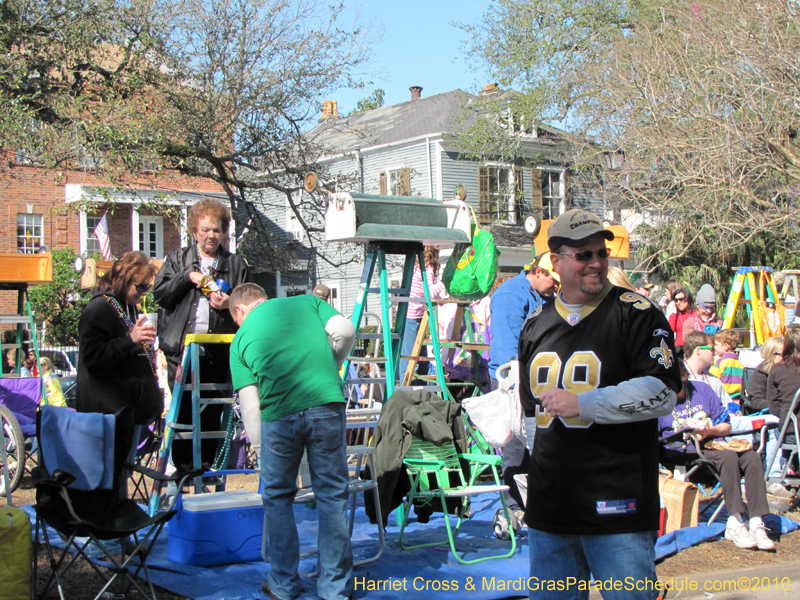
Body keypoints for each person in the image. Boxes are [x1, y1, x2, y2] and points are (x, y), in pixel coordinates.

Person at [518, 209, 681, 599]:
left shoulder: (638, 314)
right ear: (555, 261)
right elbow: (529, 416)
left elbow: (664, 392)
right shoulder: (534, 324)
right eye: (583, 255)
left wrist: (586, 403)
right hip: (550, 510)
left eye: (601, 254)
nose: (596, 263)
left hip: (617, 509)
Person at [228, 283, 355, 600]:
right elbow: (344, 329)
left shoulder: (239, 340)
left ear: (241, 311)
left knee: (278, 496)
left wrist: (261, 453)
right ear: (264, 299)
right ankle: (334, 588)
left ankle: (283, 583)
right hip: (325, 401)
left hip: (278, 413)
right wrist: (333, 362)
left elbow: (250, 407)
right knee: (332, 494)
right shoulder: (307, 303)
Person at [153, 198, 252, 468]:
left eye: (217, 230)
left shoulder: (236, 264)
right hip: (182, 352)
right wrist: (188, 278)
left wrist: (230, 303)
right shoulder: (177, 259)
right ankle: (183, 470)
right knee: (184, 411)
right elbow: (159, 294)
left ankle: (205, 470)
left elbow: (252, 306)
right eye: (206, 229)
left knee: (212, 414)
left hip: (219, 352)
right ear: (195, 231)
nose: (211, 235)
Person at [659, 362, 775, 551]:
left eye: (683, 385)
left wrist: (710, 430)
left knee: (752, 457)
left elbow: (727, 426)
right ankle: (735, 521)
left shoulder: (701, 390)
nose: (679, 390)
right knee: (728, 457)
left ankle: (756, 522)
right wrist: (686, 430)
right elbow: (654, 438)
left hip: (713, 443)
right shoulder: (657, 398)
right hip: (681, 453)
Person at [488, 250, 559, 534]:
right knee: (515, 448)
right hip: (513, 380)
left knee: (539, 446)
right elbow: (508, 351)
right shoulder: (510, 296)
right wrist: (517, 385)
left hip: (539, 380)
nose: (556, 286)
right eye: (553, 279)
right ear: (538, 271)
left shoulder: (544, 297)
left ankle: (534, 504)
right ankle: (512, 507)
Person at [76, 251, 160, 424]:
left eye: (147, 288)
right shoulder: (99, 309)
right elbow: (91, 356)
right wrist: (130, 340)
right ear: (124, 279)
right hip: (108, 416)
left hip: (130, 413)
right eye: (141, 287)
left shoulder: (128, 308)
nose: (143, 293)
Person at [398, 246, 447, 381]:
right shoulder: (427, 268)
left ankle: (414, 383)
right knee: (410, 355)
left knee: (418, 354)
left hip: (412, 313)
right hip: (413, 316)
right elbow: (429, 292)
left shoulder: (416, 267)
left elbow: (424, 289)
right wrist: (445, 283)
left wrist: (440, 299)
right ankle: (405, 386)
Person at [682, 331, 733, 408]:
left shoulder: (714, 380)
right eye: (712, 349)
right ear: (698, 350)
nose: (715, 353)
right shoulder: (679, 375)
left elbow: (727, 405)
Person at [749, 336, 784, 413]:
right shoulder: (760, 373)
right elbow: (756, 402)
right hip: (771, 415)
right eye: (783, 355)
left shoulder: (790, 372)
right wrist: (780, 404)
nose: (786, 358)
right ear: (771, 354)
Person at [710, 329, 745, 402]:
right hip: (737, 399)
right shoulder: (740, 364)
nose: (714, 347)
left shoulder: (719, 362)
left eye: (716, 344)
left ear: (726, 346)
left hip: (723, 398)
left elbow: (711, 380)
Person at [668, 287, 695, 357]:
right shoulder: (675, 315)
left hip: (692, 348)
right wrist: (674, 313)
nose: (678, 302)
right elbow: (670, 330)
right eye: (676, 300)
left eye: (681, 299)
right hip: (679, 349)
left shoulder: (694, 313)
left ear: (687, 299)